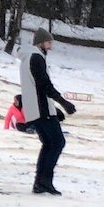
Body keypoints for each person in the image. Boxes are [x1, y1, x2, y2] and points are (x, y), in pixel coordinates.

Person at [19, 27, 76, 195]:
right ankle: (44, 181)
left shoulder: (29, 56)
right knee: (57, 142)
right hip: (40, 108)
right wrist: (63, 102)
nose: (50, 45)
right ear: (41, 42)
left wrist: (55, 107)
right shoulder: (36, 57)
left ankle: (40, 182)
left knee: (49, 143)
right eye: (48, 42)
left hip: (36, 108)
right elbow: (44, 85)